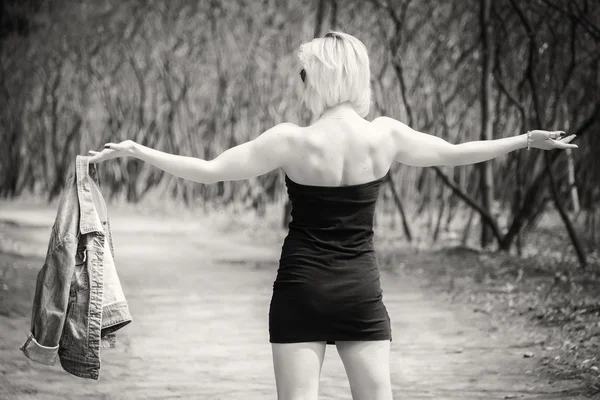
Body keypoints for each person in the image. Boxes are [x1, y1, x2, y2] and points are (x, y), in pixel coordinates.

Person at [88, 31, 577, 400]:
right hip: (359, 292)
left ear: (317, 79)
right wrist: (525, 140)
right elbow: (454, 152)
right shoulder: (384, 136)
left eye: (304, 75)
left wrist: (138, 150)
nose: (300, 85)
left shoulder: (290, 140)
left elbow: (209, 172)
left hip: (300, 290)